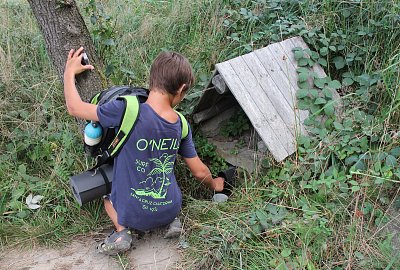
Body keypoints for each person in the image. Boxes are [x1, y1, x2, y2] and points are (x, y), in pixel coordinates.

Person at [63, 47, 225, 255]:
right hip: (171, 207)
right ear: (182, 88)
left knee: (107, 197)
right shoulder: (181, 124)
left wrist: (69, 72)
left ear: (153, 79)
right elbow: (199, 172)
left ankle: (122, 232)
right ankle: (170, 222)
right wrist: (215, 184)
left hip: (132, 213)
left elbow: (75, 108)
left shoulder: (127, 108)